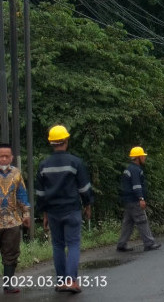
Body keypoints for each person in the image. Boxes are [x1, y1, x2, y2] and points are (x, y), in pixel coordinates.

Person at [35, 125, 93, 294]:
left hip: (53, 211)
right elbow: (84, 188)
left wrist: (44, 212)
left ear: (51, 143)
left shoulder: (44, 165)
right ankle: (71, 281)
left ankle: (61, 282)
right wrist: (88, 205)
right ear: (66, 140)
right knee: (73, 244)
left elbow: (41, 193)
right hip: (71, 209)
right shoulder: (75, 162)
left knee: (58, 245)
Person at [116, 146, 160, 252]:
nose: (144, 158)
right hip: (135, 200)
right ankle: (149, 243)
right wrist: (141, 198)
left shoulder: (129, 169)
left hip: (128, 200)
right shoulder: (136, 170)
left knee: (128, 223)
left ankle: (121, 244)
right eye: (142, 156)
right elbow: (137, 186)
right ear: (137, 158)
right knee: (142, 220)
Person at [0, 144, 30, 294]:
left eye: (7, 156)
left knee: (11, 253)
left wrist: (26, 214)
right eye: (1, 156)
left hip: (12, 220)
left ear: (11, 157)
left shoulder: (16, 173)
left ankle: (8, 284)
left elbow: (21, 195)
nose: (4, 159)